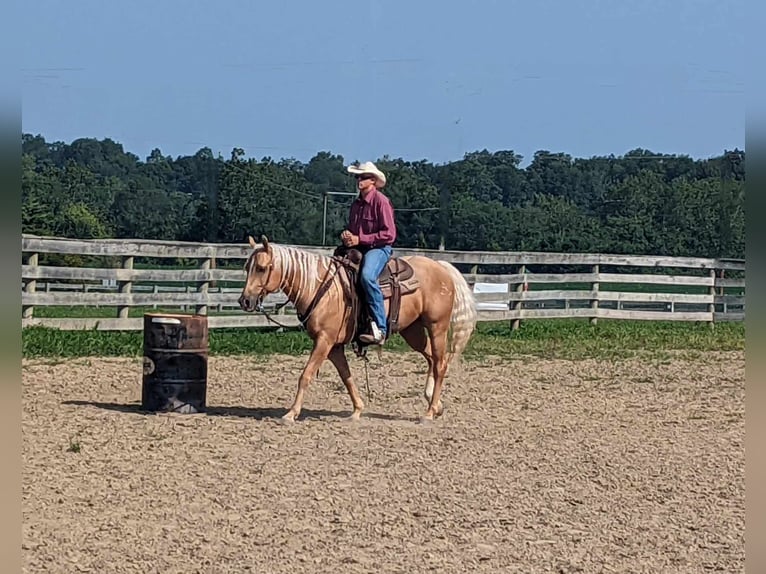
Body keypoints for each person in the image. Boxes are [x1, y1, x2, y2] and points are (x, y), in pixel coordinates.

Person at [340, 161, 397, 345]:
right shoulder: (356, 204)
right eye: (358, 177)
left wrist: (359, 239)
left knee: (367, 277)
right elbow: (353, 231)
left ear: (373, 180)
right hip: (360, 247)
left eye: (363, 177)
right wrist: (348, 236)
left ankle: (380, 328)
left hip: (379, 248)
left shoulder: (381, 201)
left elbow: (389, 234)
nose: (359, 180)